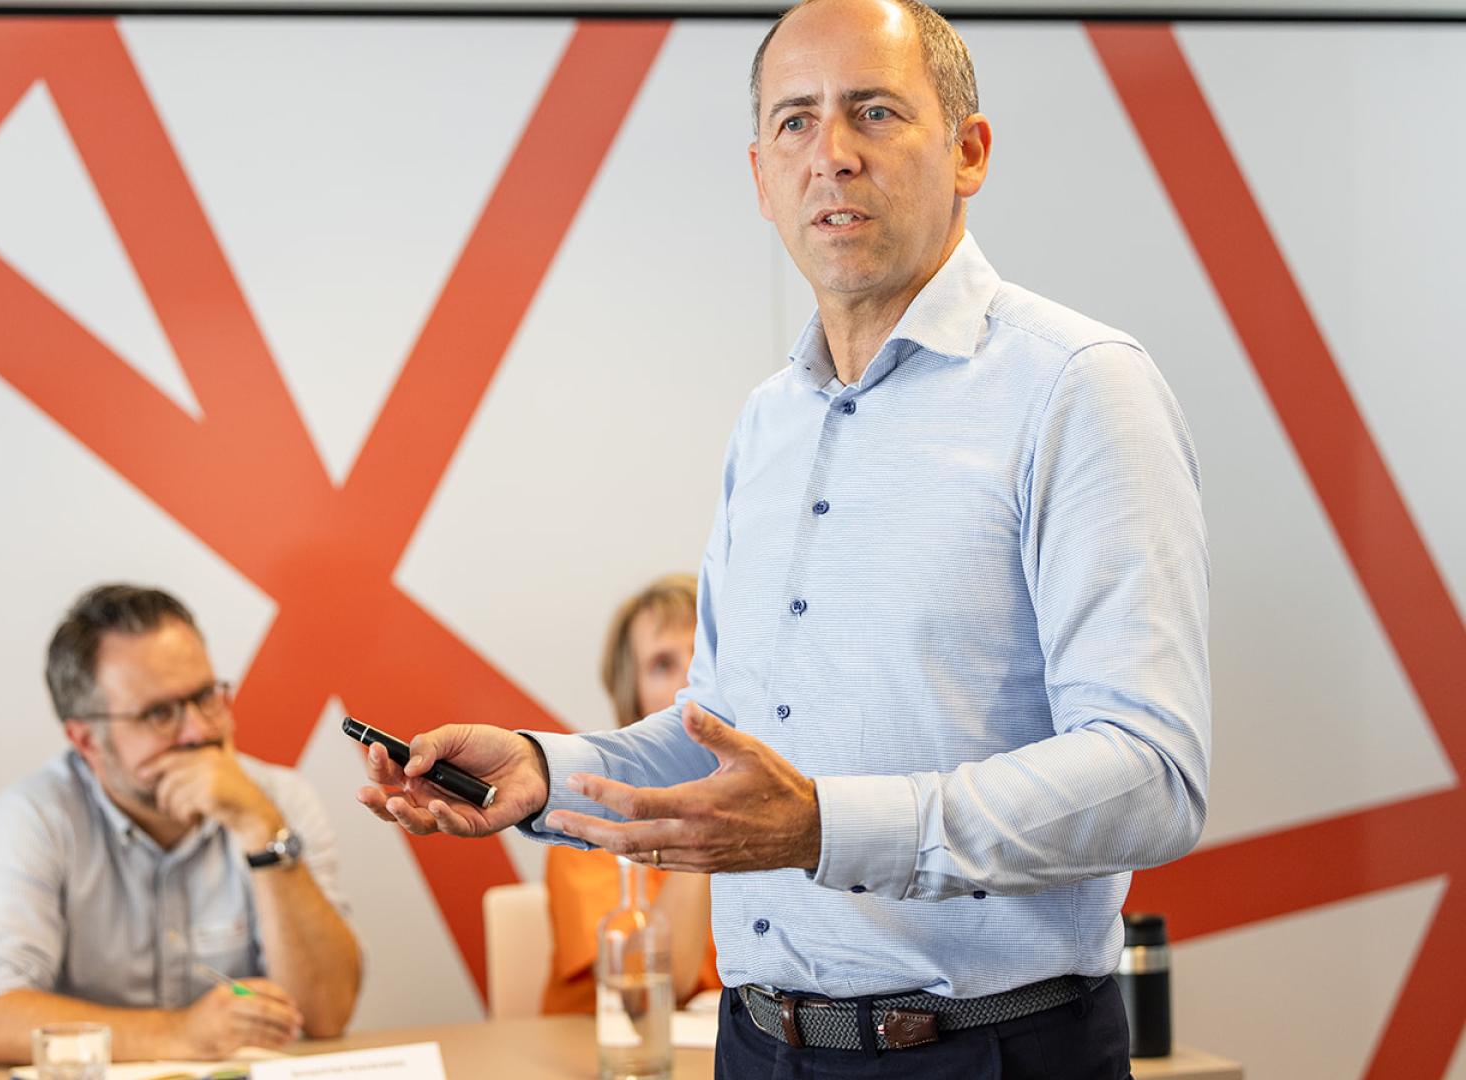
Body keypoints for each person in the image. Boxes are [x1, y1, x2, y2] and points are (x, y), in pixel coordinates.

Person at [356, 1, 1210, 1075]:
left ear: (969, 151)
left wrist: (823, 827)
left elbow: (1151, 776)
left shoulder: (1079, 390)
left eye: (875, 112)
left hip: (982, 1050)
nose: (832, 154)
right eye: (796, 121)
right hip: (756, 1045)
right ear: (762, 177)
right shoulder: (768, 423)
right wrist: (542, 771)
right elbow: (724, 734)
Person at [0, 585, 360, 1064]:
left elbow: (327, 1015)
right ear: (86, 740)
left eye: (206, 697)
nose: (200, 731)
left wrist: (261, 832)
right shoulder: (36, 816)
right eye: (159, 714)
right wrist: (181, 1034)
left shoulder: (278, 801)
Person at [541, 574, 722, 1014]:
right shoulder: (588, 820)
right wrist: (704, 799)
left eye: (706, 654)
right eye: (663, 664)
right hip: (606, 1046)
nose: (694, 679)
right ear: (633, 702)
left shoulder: (773, 809)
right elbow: (647, 989)